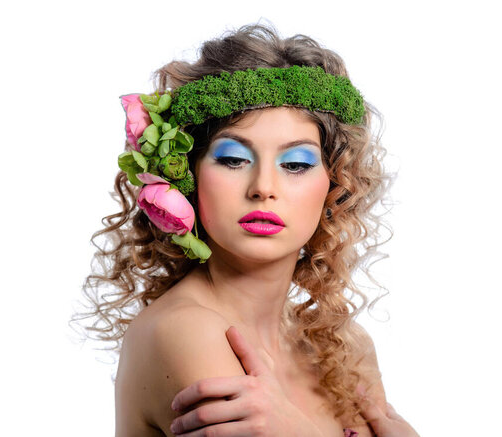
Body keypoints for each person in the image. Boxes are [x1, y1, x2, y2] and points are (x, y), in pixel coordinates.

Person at [76, 23, 419, 437]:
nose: (263, 188)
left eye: (295, 164)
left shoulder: (345, 347)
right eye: (233, 159)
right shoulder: (184, 332)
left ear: (335, 185)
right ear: (188, 176)